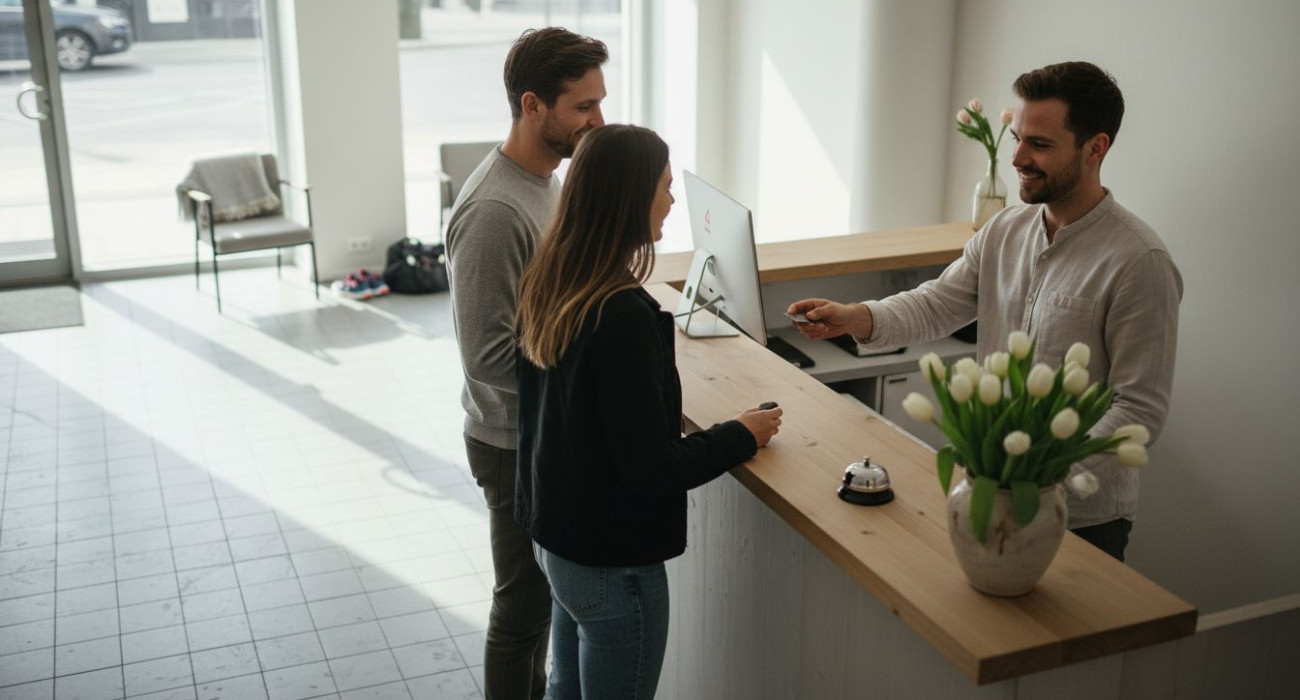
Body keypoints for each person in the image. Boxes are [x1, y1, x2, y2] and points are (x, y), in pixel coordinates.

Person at [789, 61, 1182, 562]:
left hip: (1081, 522)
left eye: (1038, 144)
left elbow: (1138, 411)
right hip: (988, 492)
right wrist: (854, 317)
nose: (1017, 157)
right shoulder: (1004, 231)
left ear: (1095, 148)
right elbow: (936, 304)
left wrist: (1036, 472)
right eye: (1016, 138)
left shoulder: (1139, 262)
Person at [514, 124, 783, 699]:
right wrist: (742, 433)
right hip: (613, 567)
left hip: (558, 544)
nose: (672, 199)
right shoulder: (621, 315)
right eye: (664, 186)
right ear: (629, 197)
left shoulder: (552, 279)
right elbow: (652, 469)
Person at [444, 27, 608, 699]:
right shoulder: (492, 210)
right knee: (524, 611)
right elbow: (487, 359)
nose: (598, 121)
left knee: (549, 604)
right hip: (513, 444)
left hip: (542, 436)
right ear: (533, 106)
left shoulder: (548, 180)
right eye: (583, 107)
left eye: (600, 103)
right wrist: (587, 382)